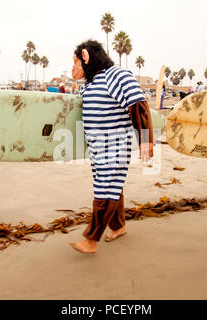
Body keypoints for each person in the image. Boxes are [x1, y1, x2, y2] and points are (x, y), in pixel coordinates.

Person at [70, 40, 154, 253]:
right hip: (97, 149)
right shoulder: (91, 83)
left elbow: (138, 105)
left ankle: (91, 240)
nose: (74, 66)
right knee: (112, 186)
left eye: (75, 61)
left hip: (115, 146)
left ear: (86, 56)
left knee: (105, 190)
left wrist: (146, 141)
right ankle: (119, 226)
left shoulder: (116, 76)